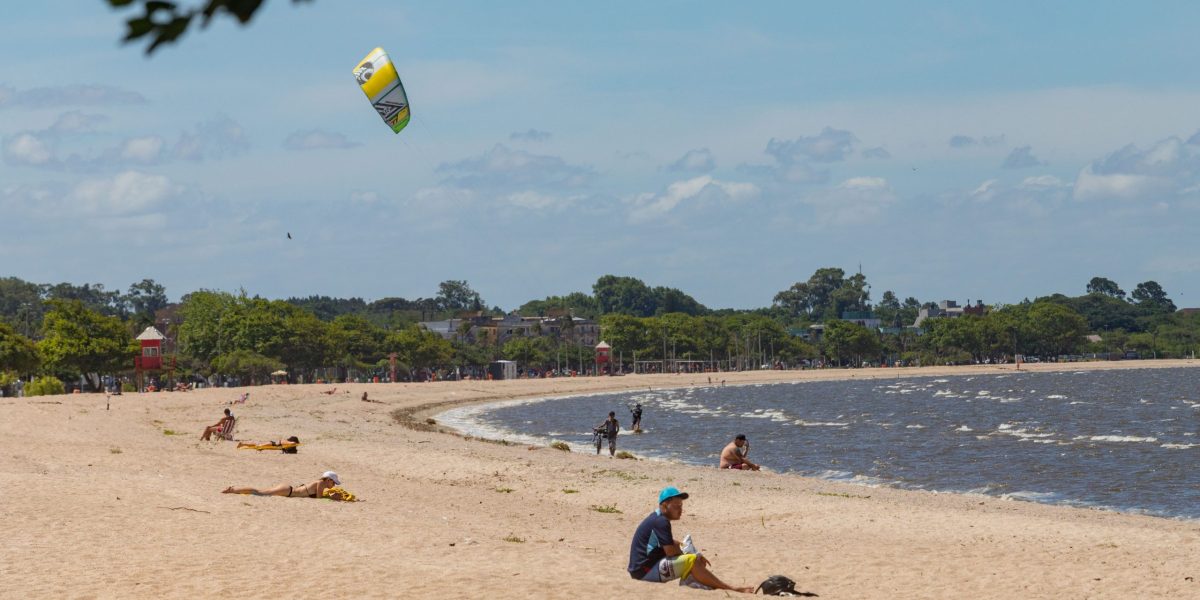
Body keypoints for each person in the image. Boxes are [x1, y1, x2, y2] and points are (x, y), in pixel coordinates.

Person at [627, 486, 754, 593]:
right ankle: (730, 588)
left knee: (687, 552)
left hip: (641, 569)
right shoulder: (661, 522)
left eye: (681, 505)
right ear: (665, 505)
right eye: (676, 506)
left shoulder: (656, 518)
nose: (681, 510)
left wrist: (694, 553)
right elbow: (670, 551)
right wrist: (694, 557)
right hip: (644, 572)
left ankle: (701, 581)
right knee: (691, 561)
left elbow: (671, 543)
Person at [222, 471, 341, 497]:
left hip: (288, 490)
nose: (334, 485)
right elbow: (320, 497)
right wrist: (332, 496)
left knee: (260, 492)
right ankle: (232, 489)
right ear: (328, 480)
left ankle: (233, 489)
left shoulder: (321, 483)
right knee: (259, 493)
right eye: (334, 482)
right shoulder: (320, 483)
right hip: (288, 491)